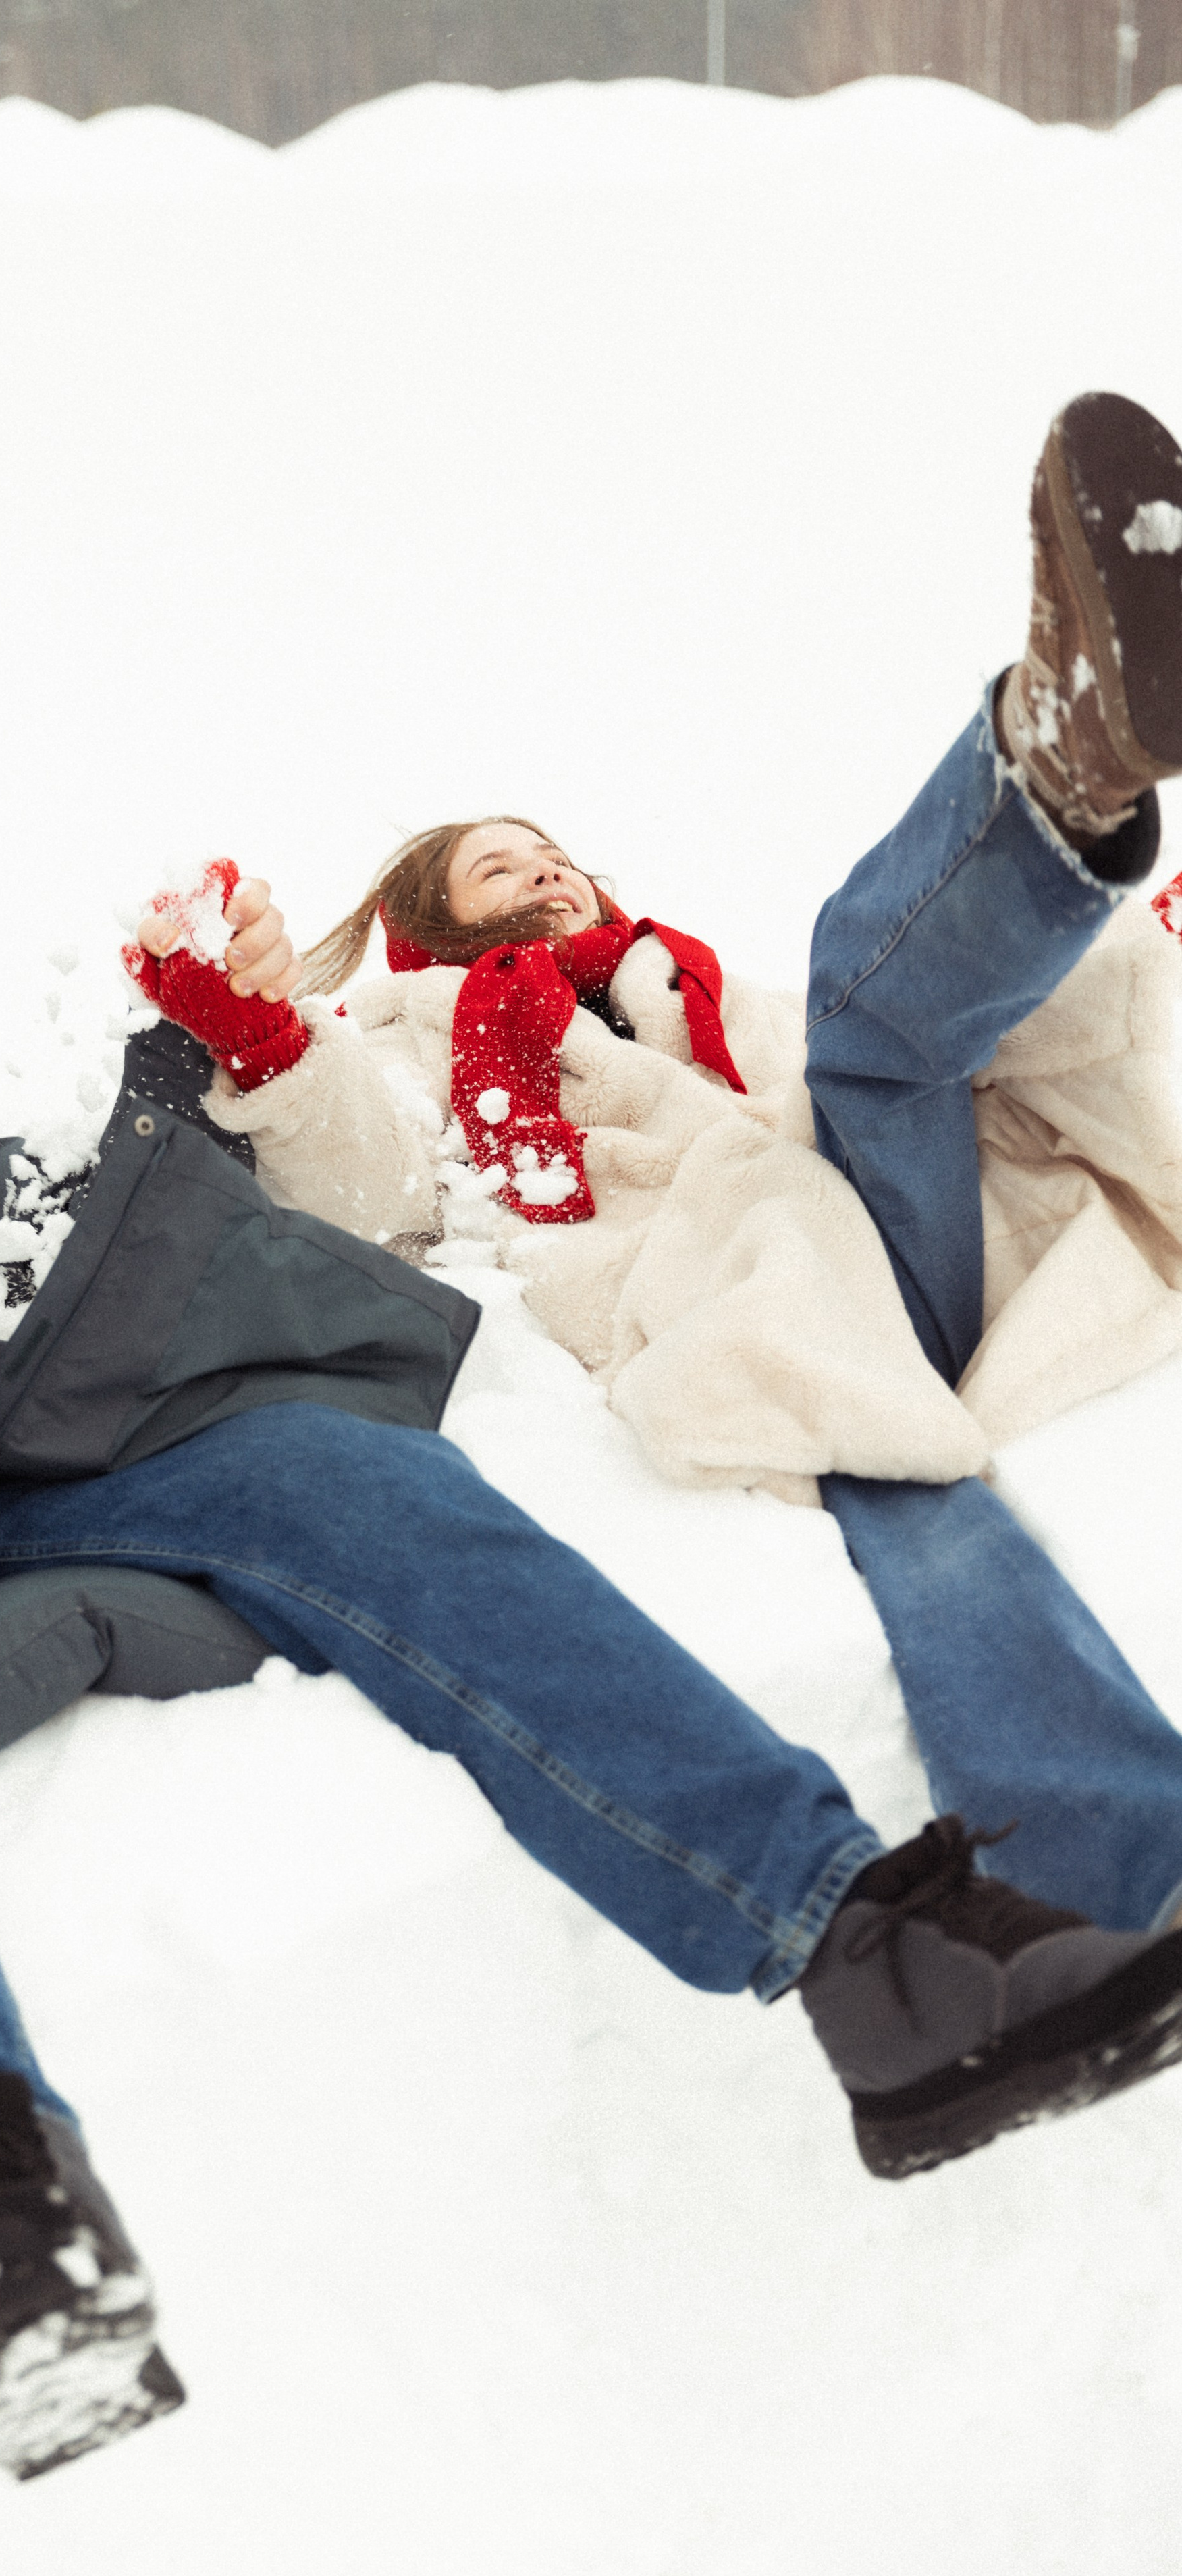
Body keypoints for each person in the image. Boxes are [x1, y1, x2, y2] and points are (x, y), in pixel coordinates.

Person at [0, 404, 1182, 2499]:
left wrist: (197, 1057)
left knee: (351, 1482)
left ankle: (868, 1946)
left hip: (21, 1455)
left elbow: (88, 1209)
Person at [132, 387, 1182, 1947]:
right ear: (432, 927)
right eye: (503, 864)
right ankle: (1115, 1858)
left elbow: (892, 1031)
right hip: (751, 1283)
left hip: (902, 1217)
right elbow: (381, 1189)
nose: (548, 867)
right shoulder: (419, 1029)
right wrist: (264, 1042)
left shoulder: (685, 982)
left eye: (554, 849)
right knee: (900, 1412)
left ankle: (1071, 760)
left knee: (875, 1007)